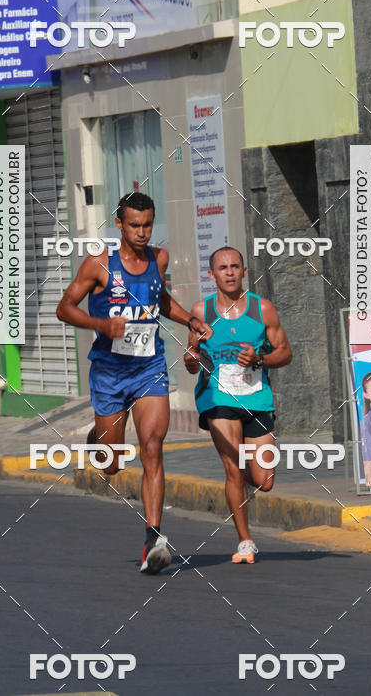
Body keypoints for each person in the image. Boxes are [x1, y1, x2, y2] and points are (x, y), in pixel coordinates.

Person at [56, 192, 212, 573]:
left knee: (152, 447)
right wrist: (101, 324)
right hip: (110, 372)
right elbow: (64, 307)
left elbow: (160, 300)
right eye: (134, 225)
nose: (142, 232)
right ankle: (99, 440)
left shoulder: (159, 259)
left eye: (147, 225)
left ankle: (153, 538)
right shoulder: (98, 264)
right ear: (120, 225)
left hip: (148, 368)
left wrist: (190, 321)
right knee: (110, 465)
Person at [183, 246, 292, 564]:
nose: (229, 272)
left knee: (264, 480)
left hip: (256, 398)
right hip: (217, 398)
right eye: (222, 268)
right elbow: (193, 354)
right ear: (212, 274)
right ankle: (245, 541)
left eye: (234, 267)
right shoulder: (201, 310)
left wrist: (260, 358)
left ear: (244, 271)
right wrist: (191, 361)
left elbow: (285, 353)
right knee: (233, 468)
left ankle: (241, 483)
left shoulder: (263, 309)